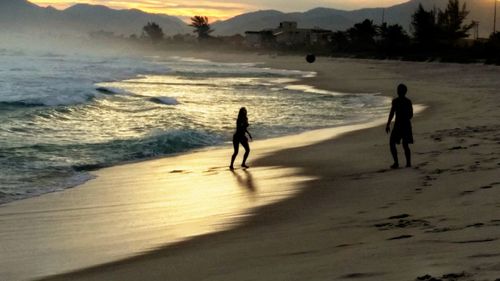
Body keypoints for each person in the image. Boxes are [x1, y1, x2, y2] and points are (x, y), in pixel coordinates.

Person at [386, 84, 413, 169]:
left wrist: (388, 124)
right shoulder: (408, 101)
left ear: (398, 91)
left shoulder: (395, 101)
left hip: (398, 125)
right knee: (405, 145)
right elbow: (411, 115)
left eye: (398, 90)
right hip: (406, 125)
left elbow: (392, 113)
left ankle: (396, 163)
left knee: (392, 143)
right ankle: (408, 163)